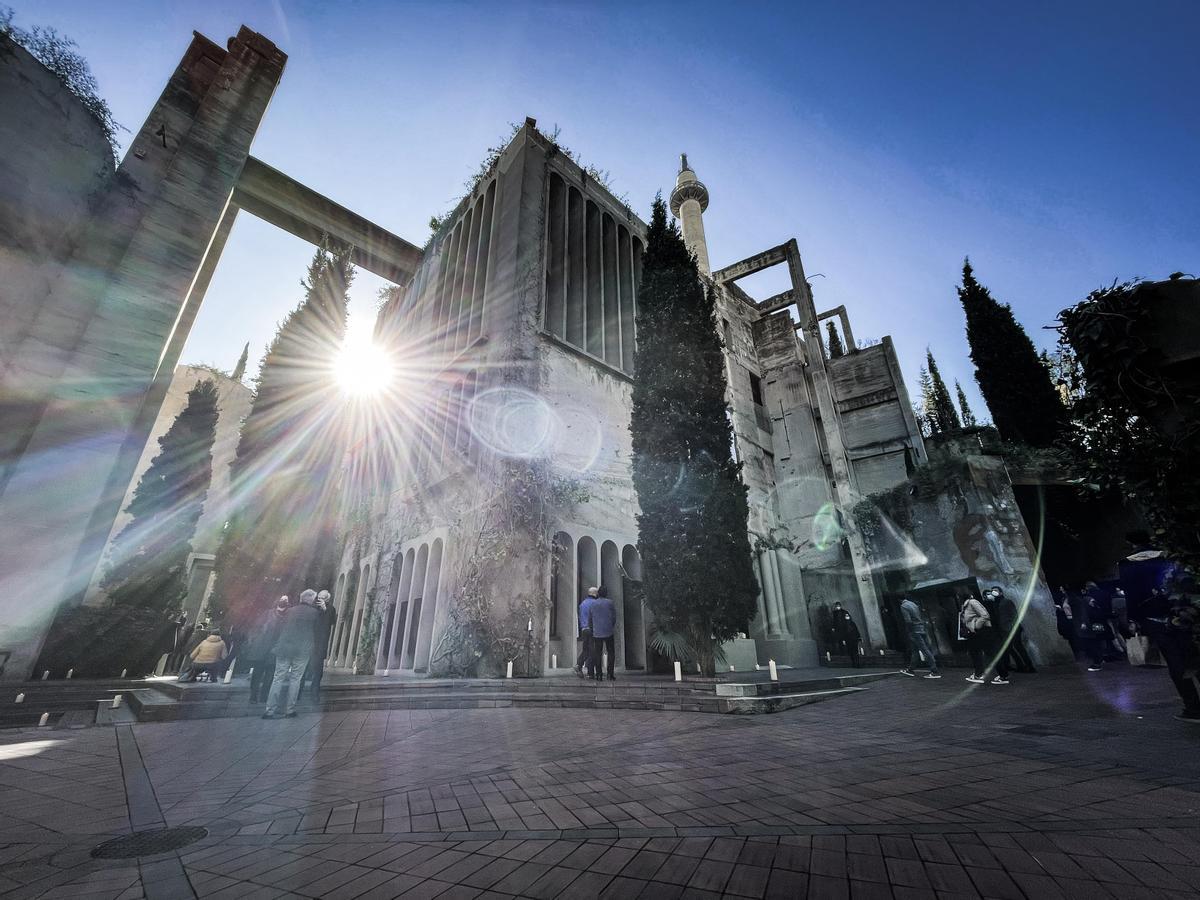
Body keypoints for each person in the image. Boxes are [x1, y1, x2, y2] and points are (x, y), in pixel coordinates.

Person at [263, 589, 320, 720]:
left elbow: (279, 628)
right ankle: (289, 710)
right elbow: (318, 633)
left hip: (285, 647)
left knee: (277, 678)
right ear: (311, 599)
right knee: (296, 679)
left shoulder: (290, 611)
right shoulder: (315, 613)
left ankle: (269, 710)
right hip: (303, 649)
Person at [244, 596, 288, 703]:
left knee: (270, 674)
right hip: (262, 648)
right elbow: (256, 628)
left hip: (274, 650)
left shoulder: (286, 617)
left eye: (286, 600)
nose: (284, 601)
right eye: (282, 599)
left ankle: (264, 696)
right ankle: (253, 696)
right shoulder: (267, 614)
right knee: (258, 673)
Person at [960, 593, 1010, 684]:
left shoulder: (972, 602)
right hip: (976, 633)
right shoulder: (966, 605)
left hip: (980, 632)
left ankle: (999, 675)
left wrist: (976, 626)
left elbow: (985, 615)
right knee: (981, 652)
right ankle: (1000, 675)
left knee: (983, 653)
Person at [300, 590, 337, 700]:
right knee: (303, 667)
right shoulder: (312, 607)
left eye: (323, 598)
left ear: (327, 599)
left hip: (320, 644)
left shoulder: (330, 609)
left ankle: (314, 692)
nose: (320, 600)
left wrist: (325, 610)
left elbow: (330, 623)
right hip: (308, 642)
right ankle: (298, 691)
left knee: (318, 670)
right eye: (319, 597)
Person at [990, 587, 1036, 674]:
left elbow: (1014, 615)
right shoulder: (995, 603)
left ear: (1001, 592)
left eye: (996, 590)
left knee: (1018, 647)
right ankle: (1021, 666)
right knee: (1010, 648)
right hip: (1004, 630)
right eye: (992, 591)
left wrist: (1013, 627)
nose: (993, 592)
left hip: (1012, 629)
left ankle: (1030, 666)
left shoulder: (1006, 601)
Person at [898, 595, 941, 679]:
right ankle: (910, 669)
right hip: (921, 628)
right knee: (915, 650)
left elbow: (908, 620)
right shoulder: (913, 604)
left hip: (914, 630)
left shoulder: (903, 606)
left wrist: (909, 631)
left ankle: (934, 670)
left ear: (899, 599)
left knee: (924, 649)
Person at [1079, 583, 1112, 672]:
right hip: (1099, 622)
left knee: (1095, 643)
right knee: (1101, 641)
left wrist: (1084, 622)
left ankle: (1098, 662)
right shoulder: (1097, 597)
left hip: (1093, 624)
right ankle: (1103, 658)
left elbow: (1087, 612)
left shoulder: (1086, 599)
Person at [589, 584, 617, 681]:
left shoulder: (593, 604)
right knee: (611, 652)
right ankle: (610, 673)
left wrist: (593, 629)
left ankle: (599, 674)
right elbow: (614, 617)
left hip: (597, 632)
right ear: (606, 593)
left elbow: (590, 619)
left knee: (598, 653)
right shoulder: (610, 603)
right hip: (608, 631)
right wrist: (611, 625)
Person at [574, 587, 598, 679]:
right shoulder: (595, 603)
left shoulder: (582, 604)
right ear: (595, 594)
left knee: (586, 649)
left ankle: (579, 664)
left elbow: (580, 616)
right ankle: (590, 673)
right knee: (593, 651)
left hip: (584, 629)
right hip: (592, 629)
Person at [832, 602, 862, 668]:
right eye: (837, 606)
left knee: (855, 652)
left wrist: (859, 637)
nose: (837, 607)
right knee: (851, 651)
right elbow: (834, 621)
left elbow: (856, 630)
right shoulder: (836, 614)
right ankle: (854, 663)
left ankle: (857, 663)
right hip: (848, 638)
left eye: (847, 616)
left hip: (853, 639)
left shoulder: (852, 623)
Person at [1055, 588, 1079, 659]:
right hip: (1068, 620)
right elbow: (1066, 610)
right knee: (1071, 637)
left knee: (1076, 636)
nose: (1060, 590)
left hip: (1074, 619)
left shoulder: (1072, 598)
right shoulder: (1064, 599)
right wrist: (1060, 608)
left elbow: (1076, 609)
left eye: (1062, 589)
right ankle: (1076, 652)